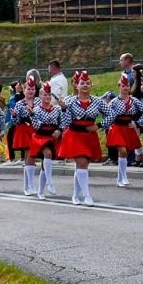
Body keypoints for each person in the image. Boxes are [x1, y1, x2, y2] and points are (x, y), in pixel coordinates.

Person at [58, 71, 104, 206]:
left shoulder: (97, 101)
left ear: (91, 85)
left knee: (83, 165)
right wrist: (64, 109)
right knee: (82, 162)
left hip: (90, 136)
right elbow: (65, 122)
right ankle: (87, 195)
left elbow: (111, 114)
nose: (85, 85)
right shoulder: (70, 101)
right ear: (77, 86)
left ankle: (75, 195)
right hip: (75, 135)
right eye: (82, 83)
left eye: (87, 83)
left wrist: (99, 125)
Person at [103, 74, 143, 188]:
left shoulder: (134, 101)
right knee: (123, 151)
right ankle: (124, 176)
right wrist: (106, 125)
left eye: (127, 86)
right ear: (119, 87)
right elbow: (106, 114)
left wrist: (137, 123)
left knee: (126, 153)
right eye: (123, 86)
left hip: (128, 128)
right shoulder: (114, 101)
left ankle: (120, 178)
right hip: (117, 128)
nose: (125, 88)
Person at [27, 84, 64, 200]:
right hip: (41, 137)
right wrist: (32, 115)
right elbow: (36, 126)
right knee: (48, 154)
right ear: (40, 96)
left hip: (53, 137)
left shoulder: (57, 109)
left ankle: (40, 191)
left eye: (49, 95)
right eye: (45, 95)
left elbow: (63, 121)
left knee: (45, 165)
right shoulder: (36, 110)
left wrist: (59, 130)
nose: (47, 97)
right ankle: (50, 181)